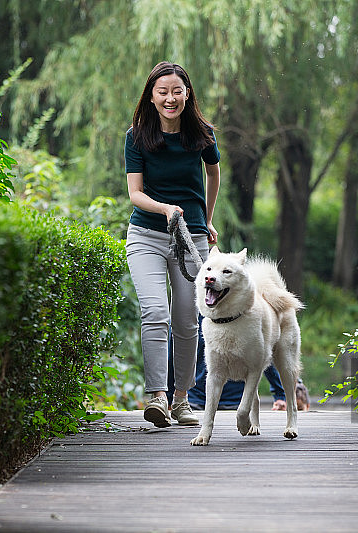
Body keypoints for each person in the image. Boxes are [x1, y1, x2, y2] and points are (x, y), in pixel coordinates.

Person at [124, 61, 221, 428]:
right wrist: (165, 208)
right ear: (151, 96)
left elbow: (213, 173)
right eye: (162, 92)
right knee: (155, 313)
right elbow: (135, 194)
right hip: (147, 235)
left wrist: (206, 219)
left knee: (186, 320)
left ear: (187, 94)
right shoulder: (136, 137)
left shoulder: (202, 133)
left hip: (191, 238)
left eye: (176, 91)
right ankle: (157, 397)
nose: (170, 98)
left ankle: (181, 399)